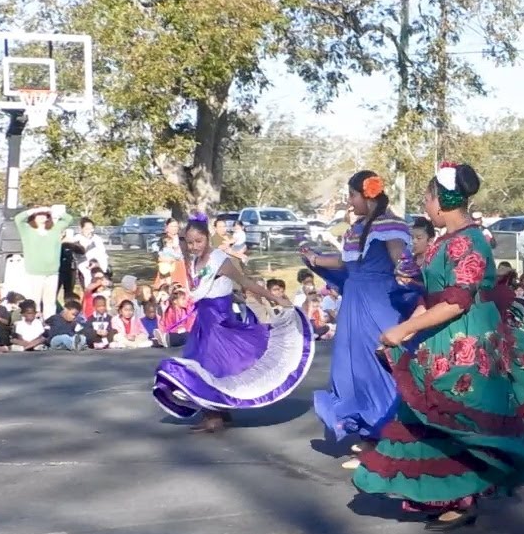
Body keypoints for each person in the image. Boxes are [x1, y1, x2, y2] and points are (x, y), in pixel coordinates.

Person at [352, 162, 524, 531]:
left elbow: (458, 301)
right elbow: (434, 294)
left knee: (461, 417)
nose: (425, 208)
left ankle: (462, 498)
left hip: (468, 341)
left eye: (427, 199)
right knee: (434, 415)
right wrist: (405, 331)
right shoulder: (445, 240)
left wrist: (406, 328)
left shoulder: (470, 241)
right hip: (443, 338)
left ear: (440, 201)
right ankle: (443, 494)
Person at [299, 171, 419, 464]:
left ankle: (386, 439)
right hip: (354, 306)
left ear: (367, 195)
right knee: (350, 370)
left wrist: (416, 285)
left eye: (352, 196)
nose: (350, 202)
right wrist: (313, 258)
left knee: (379, 371)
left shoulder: (390, 225)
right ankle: (369, 438)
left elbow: (402, 263)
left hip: (378, 304)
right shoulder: (359, 227)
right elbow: (345, 261)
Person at [152, 219, 311, 434]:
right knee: (206, 365)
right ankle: (218, 411)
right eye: (190, 243)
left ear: (208, 238)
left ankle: (214, 416)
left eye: (198, 241)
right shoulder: (193, 260)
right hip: (204, 321)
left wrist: (275, 299)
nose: (193, 246)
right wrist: (181, 234)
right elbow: (185, 252)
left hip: (218, 321)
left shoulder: (220, 261)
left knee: (210, 366)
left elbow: (246, 283)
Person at [16, 205, 74, 318]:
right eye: (39, 214)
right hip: (34, 272)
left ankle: (49, 324)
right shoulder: (27, 230)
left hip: (52, 272)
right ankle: (34, 323)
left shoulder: (55, 229)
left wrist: (52, 211)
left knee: (50, 302)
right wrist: (35, 210)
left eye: (44, 214)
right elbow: (18, 219)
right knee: (34, 302)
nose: (42, 216)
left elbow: (68, 219)